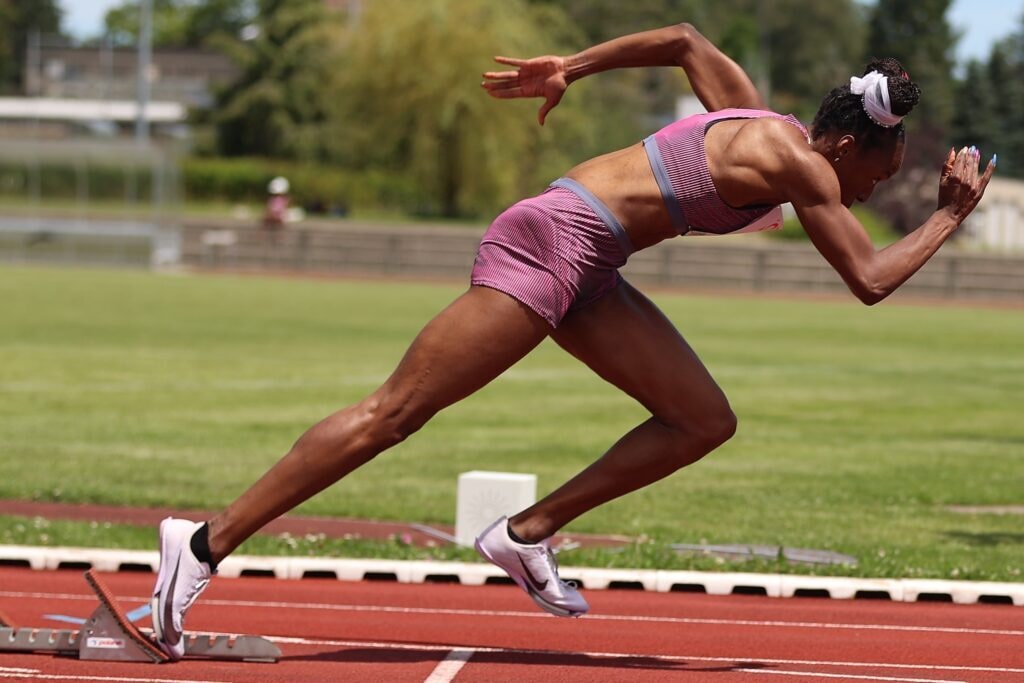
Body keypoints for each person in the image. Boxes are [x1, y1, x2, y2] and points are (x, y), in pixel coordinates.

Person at [150, 23, 994, 658]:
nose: (866, 192)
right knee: (396, 411)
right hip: (555, 239)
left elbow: (683, 39)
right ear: (847, 146)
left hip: (594, 261)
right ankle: (200, 543)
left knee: (701, 418)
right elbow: (871, 279)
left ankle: (525, 532)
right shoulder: (806, 167)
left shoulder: (755, 112)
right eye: (873, 176)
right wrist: (949, 216)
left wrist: (573, 66)